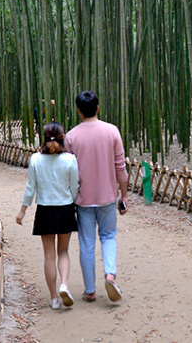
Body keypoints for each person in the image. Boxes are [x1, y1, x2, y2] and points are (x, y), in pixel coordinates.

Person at [64, 90, 128, 303]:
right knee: (109, 236)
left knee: (87, 242)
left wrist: (70, 197)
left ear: (79, 111)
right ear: (98, 108)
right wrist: (124, 195)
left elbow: (69, 172)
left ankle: (90, 290)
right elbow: (120, 166)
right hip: (108, 196)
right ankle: (110, 274)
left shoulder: (71, 136)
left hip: (83, 199)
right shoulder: (112, 131)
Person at [16, 122, 79, 310]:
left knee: (49, 255)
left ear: (43, 138)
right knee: (63, 252)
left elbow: (30, 188)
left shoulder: (35, 159)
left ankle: (53, 298)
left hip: (45, 210)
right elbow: (74, 186)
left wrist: (23, 210)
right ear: (62, 138)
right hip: (65, 208)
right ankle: (64, 285)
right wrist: (73, 202)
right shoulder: (70, 159)